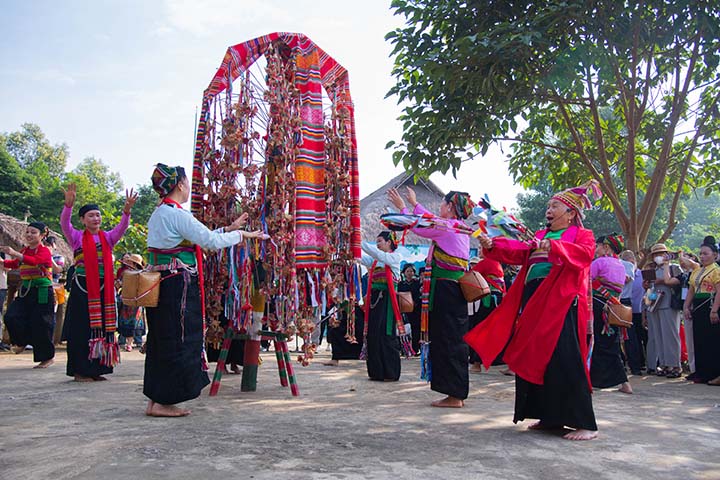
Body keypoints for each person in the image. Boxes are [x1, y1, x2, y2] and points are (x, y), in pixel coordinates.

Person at [465, 181, 600, 441]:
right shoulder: (539, 235)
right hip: (533, 299)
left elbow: (585, 255)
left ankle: (586, 423)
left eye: (555, 206)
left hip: (560, 301)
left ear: (571, 213)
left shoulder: (581, 235)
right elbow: (518, 251)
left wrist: (556, 247)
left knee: (565, 358)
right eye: (548, 206)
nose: (549, 210)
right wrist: (492, 244)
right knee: (537, 356)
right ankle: (549, 417)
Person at [143, 163, 265, 417]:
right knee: (179, 338)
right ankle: (165, 402)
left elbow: (201, 237)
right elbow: (210, 241)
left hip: (163, 282)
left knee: (161, 339)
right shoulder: (177, 214)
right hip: (178, 284)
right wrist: (241, 234)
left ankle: (156, 400)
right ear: (180, 185)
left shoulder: (161, 213)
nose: (188, 188)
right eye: (187, 183)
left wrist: (229, 230)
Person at [388, 187, 472, 408]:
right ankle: (455, 393)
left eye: (443, 204)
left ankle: (455, 395)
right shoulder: (457, 226)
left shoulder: (447, 227)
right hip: (451, 290)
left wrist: (403, 208)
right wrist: (414, 205)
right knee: (451, 339)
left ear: (451, 207)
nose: (439, 208)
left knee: (448, 340)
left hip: (447, 291)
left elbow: (421, 226)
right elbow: (429, 219)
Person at [61, 183, 137, 382]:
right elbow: (64, 224)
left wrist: (126, 211)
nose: (96, 218)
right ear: (83, 220)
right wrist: (68, 206)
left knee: (102, 328)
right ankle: (79, 371)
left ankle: (96, 370)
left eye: (98, 215)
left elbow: (122, 227)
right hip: (82, 289)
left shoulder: (108, 238)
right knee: (81, 329)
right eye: (91, 215)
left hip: (104, 289)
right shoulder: (76, 237)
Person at [0, 222, 56, 368]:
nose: (29, 235)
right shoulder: (25, 250)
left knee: (42, 324)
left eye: (33, 232)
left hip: (42, 291)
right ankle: (21, 341)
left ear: (42, 235)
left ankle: (47, 358)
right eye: (28, 232)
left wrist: (14, 253)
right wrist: (3, 262)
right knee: (11, 316)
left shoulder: (44, 251)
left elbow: (34, 261)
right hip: (26, 290)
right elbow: (16, 264)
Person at [589, 235, 633, 394]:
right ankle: (624, 382)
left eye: (598, 246)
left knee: (597, 342)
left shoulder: (599, 263)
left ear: (606, 248)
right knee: (612, 345)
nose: (596, 250)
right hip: (614, 308)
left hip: (598, 306)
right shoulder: (621, 266)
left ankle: (595, 381)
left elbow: (585, 281)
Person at [360, 231, 404, 381]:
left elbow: (381, 256)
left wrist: (361, 242)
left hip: (388, 301)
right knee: (373, 334)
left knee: (386, 334)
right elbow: (358, 258)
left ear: (389, 242)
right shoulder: (374, 260)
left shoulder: (394, 257)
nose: (377, 244)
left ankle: (390, 373)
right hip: (375, 300)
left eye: (379, 241)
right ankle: (376, 372)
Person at [683, 236, 720, 385]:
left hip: (710, 304)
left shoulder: (716, 270)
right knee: (698, 340)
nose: (703, 256)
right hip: (697, 306)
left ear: (715, 255)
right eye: (701, 254)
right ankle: (701, 372)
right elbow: (691, 290)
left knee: (712, 341)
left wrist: (715, 310)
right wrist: (686, 306)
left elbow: (719, 291)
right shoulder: (697, 271)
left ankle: (714, 372)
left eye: (706, 253)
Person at [643, 243, 683, 378]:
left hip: (669, 304)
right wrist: (646, 285)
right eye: (656, 254)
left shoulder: (674, 268)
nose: (658, 257)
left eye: (661, 253)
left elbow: (680, 283)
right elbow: (649, 289)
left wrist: (663, 281)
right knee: (658, 336)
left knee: (670, 336)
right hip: (654, 304)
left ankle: (675, 365)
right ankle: (664, 364)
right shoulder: (651, 269)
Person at [467, 252, 505, 373]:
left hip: (488, 300)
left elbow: (470, 276)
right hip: (497, 299)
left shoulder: (486, 262)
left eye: (481, 248)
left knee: (481, 329)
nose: (479, 251)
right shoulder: (497, 263)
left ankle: (476, 363)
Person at [621, 250, 646, 375]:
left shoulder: (627, 266)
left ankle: (634, 366)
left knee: (627, 335)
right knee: (626, 335)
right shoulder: (622, 265)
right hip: (621, 302)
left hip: (624, 302)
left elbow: (625, 279)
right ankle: (631, 366)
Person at [116, 253, 147, 352]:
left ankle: (129, 343)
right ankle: (126, 342)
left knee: (134, 323)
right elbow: (118, 285)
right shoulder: (125, 273)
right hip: (126, 300)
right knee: (125, 322)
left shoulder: (142, 274)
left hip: (136, 301)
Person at [397, 263, 421, 354]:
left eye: (411, 271)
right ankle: (404, 349)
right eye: (408, 271)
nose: (409, 273)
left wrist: (415, 302)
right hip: (404, 310)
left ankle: (415, 349)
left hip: (415, 310)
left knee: (415, 329)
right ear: (404, 272)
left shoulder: (417, 283)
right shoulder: (400, 284)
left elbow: (419, 295)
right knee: (403, 329)